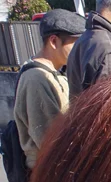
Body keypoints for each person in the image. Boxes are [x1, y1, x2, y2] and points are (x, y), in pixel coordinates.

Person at [14, 9, 85, 171]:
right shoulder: (36, 78)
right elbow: (49, 139)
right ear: (54, 41)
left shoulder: (56, 73)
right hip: (47, 172)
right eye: (75, 44)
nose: (80, 51)